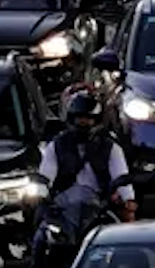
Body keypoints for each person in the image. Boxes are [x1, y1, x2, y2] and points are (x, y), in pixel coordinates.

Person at [36, 91, 137, 222]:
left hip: (100, 206)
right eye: (79, 119)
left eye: (88, 119)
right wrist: (39, 195)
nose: (83, 123)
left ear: (97, 121)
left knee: (126, 221)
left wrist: (128, 198)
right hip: (64, 206)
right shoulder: (57, 145)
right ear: (71, 119)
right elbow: (46, 174)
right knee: (40, 226)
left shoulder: (111, 148)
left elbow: (121, 176)